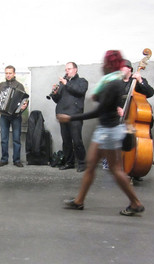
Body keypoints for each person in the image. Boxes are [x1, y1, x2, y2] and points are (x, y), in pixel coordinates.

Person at [57, 50, 145, 216]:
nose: (102, 66)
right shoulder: (110, 82)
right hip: (104, 130)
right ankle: (79, 201)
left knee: (115, 170)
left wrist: (70, 118)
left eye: (105, 63)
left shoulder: (113, 84)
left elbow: (99, 111)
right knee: (90, 166)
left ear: (108, 65)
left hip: (109, 132)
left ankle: (135, 203)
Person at [50, 62, 88, 172]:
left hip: (75, 115)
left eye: (69, 69)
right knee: (66, 141)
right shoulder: (62, 84)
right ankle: (69, 162)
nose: (67, 71)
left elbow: (80, 91)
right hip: (63, 115)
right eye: (66, 69)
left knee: (77, 141)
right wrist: (55, 93)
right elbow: (57, 100)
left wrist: (66, 83)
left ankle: (82, 163)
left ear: (75, 69)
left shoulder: (82, 81)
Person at [0, 65, 28, 168]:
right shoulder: (1, 85)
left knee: (16, 139)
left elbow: (24, 101)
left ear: (14, 74)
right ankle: (4, 160)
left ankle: (16, 160)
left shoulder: (19, 86)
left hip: (16, 116)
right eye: (6, 73)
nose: (8, 75)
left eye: (10, 73)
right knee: (4, 139)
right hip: (4, 115)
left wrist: (24, 105)